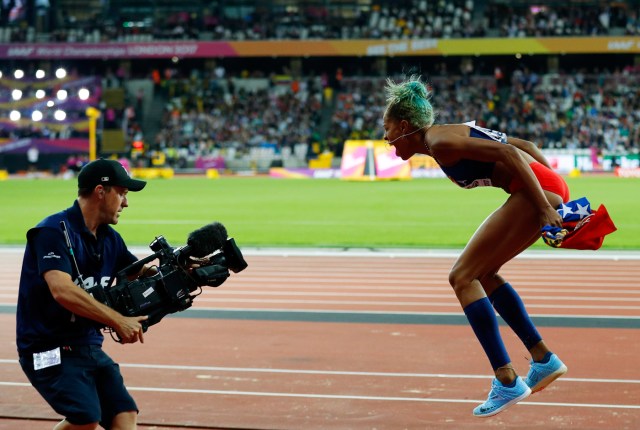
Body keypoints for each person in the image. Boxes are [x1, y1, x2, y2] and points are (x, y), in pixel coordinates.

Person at [382, 75, 568, 417]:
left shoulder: (439, 141)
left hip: (535, 193)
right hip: (541, 187)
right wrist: (557, 190)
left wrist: (545, 205)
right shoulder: (445, 136)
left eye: (388, 128)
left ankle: (507, 379)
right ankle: (542, 358)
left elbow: (511, 152)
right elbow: (525, 145)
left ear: (405, 125)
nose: (385, 137)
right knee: (484, 274)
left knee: (462, 277)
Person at [16, 158, 151, 430]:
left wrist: (187, 266)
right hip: (46, 348)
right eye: (122, 194)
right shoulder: (52, 232)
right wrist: (118, 320)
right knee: (85, 418)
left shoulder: (109, 238)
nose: (126, 203)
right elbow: (62, 290)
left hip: (86, 344)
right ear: (101, 192)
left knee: (124, 414)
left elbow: (138, 272)